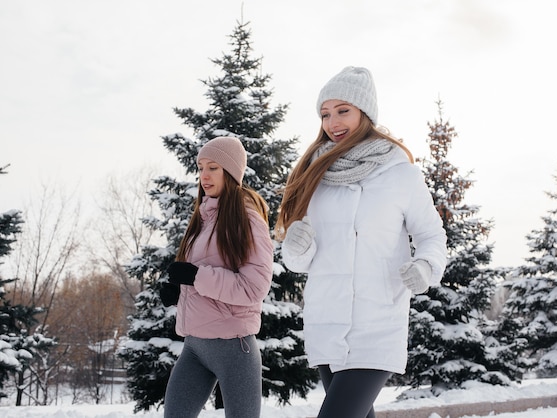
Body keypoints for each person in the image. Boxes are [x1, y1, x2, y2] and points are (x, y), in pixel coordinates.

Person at [276, 66, 447, 418]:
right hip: (326, 320)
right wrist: (296, 246)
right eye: (325, 114)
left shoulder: (400, 173)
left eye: (343, 111)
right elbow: (301, 262)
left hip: (376, 322)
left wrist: (426, 267)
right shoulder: (315, 174)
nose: (332, 122)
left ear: (364, 113)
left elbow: (431, 234)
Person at [161, 136, 274, 418]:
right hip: (195, 347)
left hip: (234, 348)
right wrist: (180, 292)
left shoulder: (247, 220)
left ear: (231, 172)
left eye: (213, 167)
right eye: (201, 168)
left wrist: (196, 276)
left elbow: (254, 287)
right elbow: (203, 278)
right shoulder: (202, 218)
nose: (204, 176)